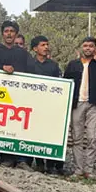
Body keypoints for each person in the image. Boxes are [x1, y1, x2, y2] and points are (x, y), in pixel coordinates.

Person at [64, 37, 96, 179]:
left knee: (93, 137)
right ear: (81, 47)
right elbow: (66, 81)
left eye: (91, 46)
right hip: (77, 104)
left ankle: (89, 169)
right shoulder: (73, 64)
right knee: (77, 137)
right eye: (85, 45)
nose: (88, 48)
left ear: (95, 48)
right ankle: (79, 169)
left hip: (94, 104)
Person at [0, 21, 31, 168]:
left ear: (16, 33)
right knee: (3, 125)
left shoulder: (23, 53)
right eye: (6, 31)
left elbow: (31, 72)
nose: (9, 34)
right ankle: (6, 157)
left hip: (20, 96)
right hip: (0, 96)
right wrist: (1, 68)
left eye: (12, 31)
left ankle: (22, 160)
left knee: (19, 126)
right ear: (2, 34)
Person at [28, 35, 64, 174]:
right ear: (35, 48)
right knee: (36, 134)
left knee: (49, 134)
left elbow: (59, 84)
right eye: (42, 45)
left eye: (47, 44)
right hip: (34, 105)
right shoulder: (29, 64)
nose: (46, 47)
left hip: (49, 105)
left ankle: (50, 164)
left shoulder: (53, 65)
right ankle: (39, 162)